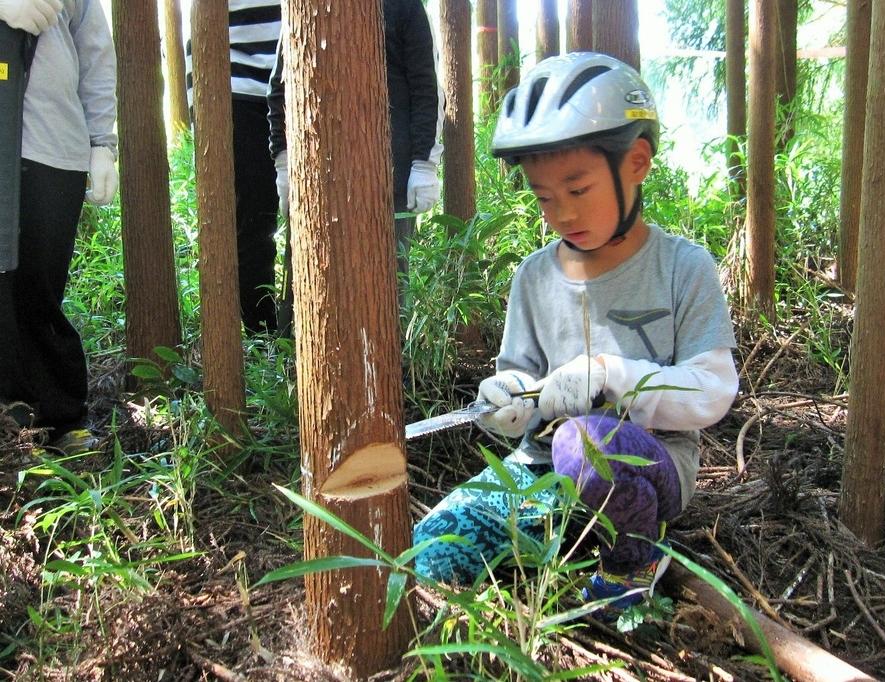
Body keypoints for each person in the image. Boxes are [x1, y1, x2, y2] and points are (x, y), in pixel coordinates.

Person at [412, 52, 738, 611]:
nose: (561, 212)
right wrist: (508, 401)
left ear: (635, 162)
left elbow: (712, 391)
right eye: (543, 196)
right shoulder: (535, 278)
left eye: (578, 189)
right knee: (435, 552)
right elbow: (518, 379)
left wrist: (614, 376)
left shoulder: (683, 268)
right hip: (541, 468)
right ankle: (575, 541)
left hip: (647, 464)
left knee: (582, 442)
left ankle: (633, 561)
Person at [0, 0, 117, 447]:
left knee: (38, 284)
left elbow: (94, 51)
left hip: (52, 145)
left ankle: (59, 419)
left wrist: (101, 143)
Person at [267, 0, 444, 293]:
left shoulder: (405, 7)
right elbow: (280, 90)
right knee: (305, 290)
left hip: (388, 182)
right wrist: (284, 163)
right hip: (316, 181)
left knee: (387, 290)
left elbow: (427, 88)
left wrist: (424, 164)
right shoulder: (305, 7)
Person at [186, 0, 282, 334]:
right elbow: (197, 27)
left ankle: (301, 326)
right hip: (237, 92)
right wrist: (198, 109)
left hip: (303, 86)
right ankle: (264, 334)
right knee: (255, 222)